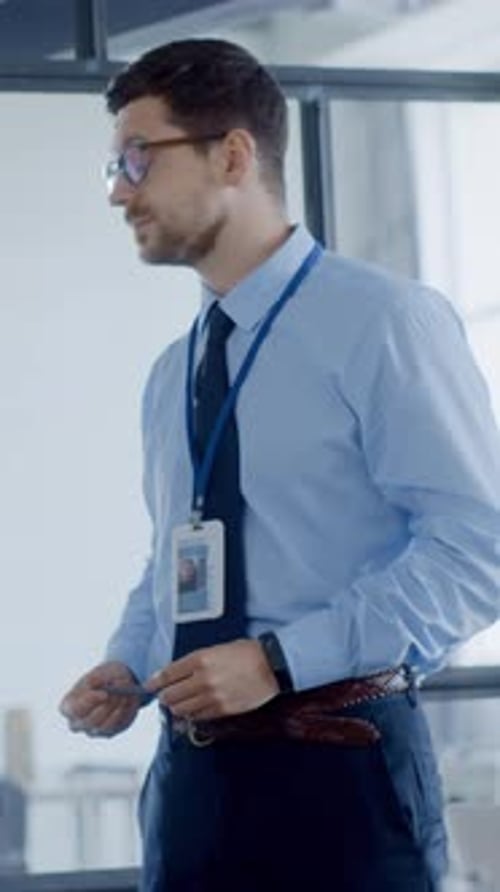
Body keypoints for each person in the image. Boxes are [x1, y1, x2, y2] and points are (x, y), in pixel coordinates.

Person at [59, 38, 500, 892]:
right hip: (191, 785)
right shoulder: (173, 372)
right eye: (113, 166)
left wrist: (278, 660)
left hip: (342, 772)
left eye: (138, 159)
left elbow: (477, 548)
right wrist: (130, 660)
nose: (118, 190)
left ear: (232, 154)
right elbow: (178, 557)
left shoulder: (385, 323)